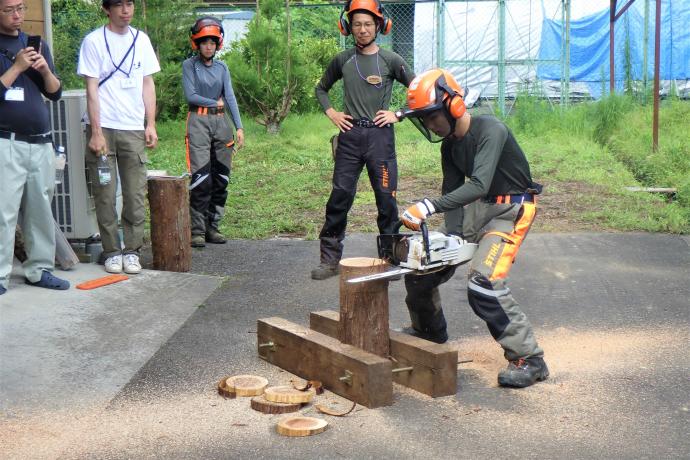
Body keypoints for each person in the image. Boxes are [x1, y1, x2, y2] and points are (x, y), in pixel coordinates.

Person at [398, 68, 548, 388]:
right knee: (423, 263)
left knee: (483, 282)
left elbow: (478, 184)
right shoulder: (449, 146)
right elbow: (453, 194)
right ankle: (429, 331)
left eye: (432, 116)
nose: (429, 124)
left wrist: (427, 206)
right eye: (423, 119)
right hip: (478, 211)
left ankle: (529, 358)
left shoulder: (491, 129)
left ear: (454, 106)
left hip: (510, 210)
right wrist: (450, 238)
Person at [311, 0, 414, 280]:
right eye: (356, 23)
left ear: (379, 25)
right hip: (350, 137)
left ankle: (390, 260)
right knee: (340, 197)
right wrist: (332, 113)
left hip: (380, 138)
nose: (362, 29)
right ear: (348, 27)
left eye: (368, 23)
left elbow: (418, 90)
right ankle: (330, 260)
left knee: (386, 199)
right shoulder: (343, 60)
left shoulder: (391, 60)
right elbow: (321, 89)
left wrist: (398, 113)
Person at [77, 0, 160, 274]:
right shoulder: (93, 41)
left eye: (130, 4)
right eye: (119, 5)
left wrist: (151, 123)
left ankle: (132, 251)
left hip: (133, 128)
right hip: (104, 128)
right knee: (105, 193)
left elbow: (148, 84)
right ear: (106, 9)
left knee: (135, 193)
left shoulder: (142, 40)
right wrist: (96, 132)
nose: (126, 10)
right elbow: (91, 89)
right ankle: (112, 250)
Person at [0, 0, 69, 295]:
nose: (17, 15)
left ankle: (39, 269)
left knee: (40, 210)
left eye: (22, 8)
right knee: (4, 212)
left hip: (41, 142)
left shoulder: (36, 44)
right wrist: (17, 67)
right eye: (9, 10)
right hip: (7, 141)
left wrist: (43, 70)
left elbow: (55, 93)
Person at [183, 17, 244, 248]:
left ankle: (213, 227)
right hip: (198, 121)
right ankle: (197, 230)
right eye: (203, 42)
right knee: (201, 178)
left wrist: (239, 126)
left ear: (218, 44)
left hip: (222, 124)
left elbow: (229, 97)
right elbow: (191, 96)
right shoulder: (189, 66)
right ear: (196, 43)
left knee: (221, 178)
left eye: (212, 42)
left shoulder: (222, 68)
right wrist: (214, 102)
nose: (208, 46)